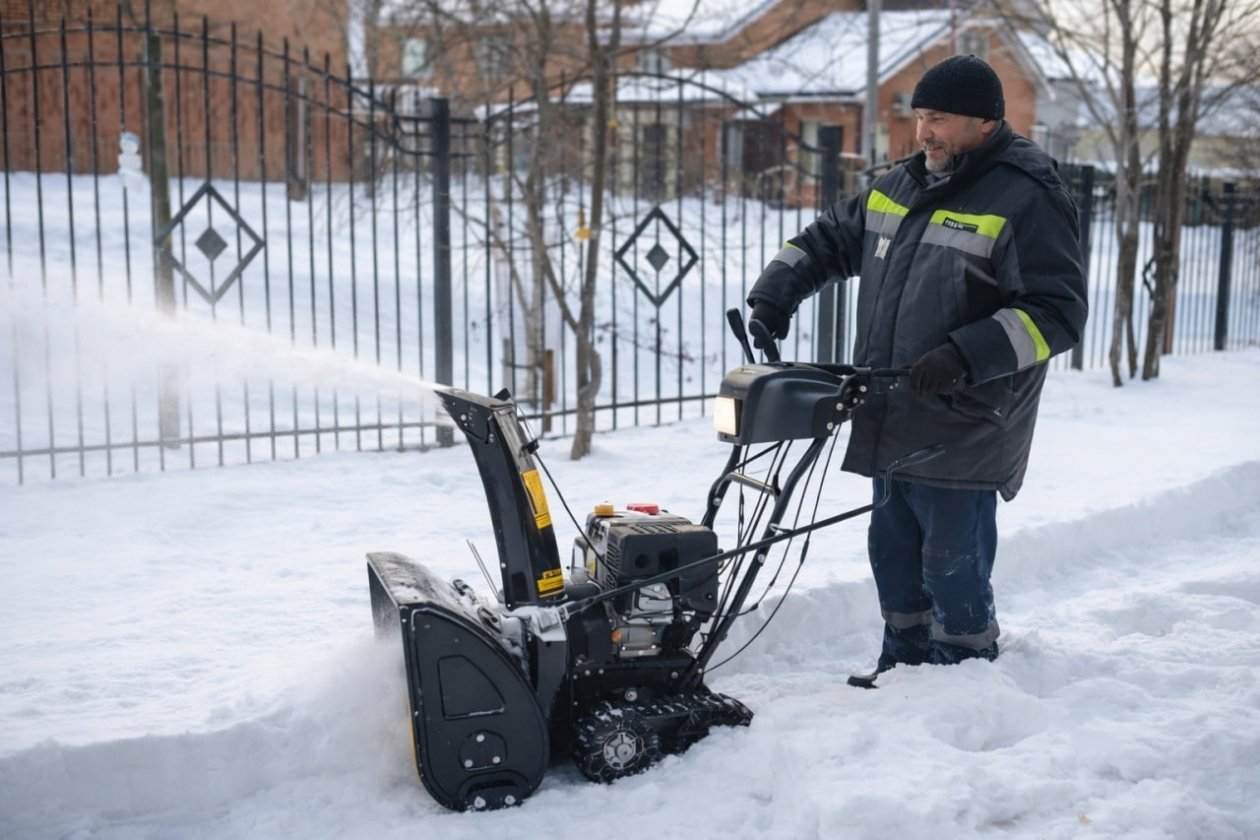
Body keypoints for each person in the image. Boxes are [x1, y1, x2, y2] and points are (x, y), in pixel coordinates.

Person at [746, 54, 1088, 685]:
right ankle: (903, 671)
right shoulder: (900, 185)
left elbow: (1057, 313)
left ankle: (963, 679)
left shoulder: (1027, 197)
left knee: (951, 561)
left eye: (940, 120)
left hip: (967, 419)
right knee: (894, 551)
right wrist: (776, 293)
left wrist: (965, 355)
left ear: (985, 123)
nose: (924, 132)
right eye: (921, 117)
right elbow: (828, 239)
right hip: (895, 409)